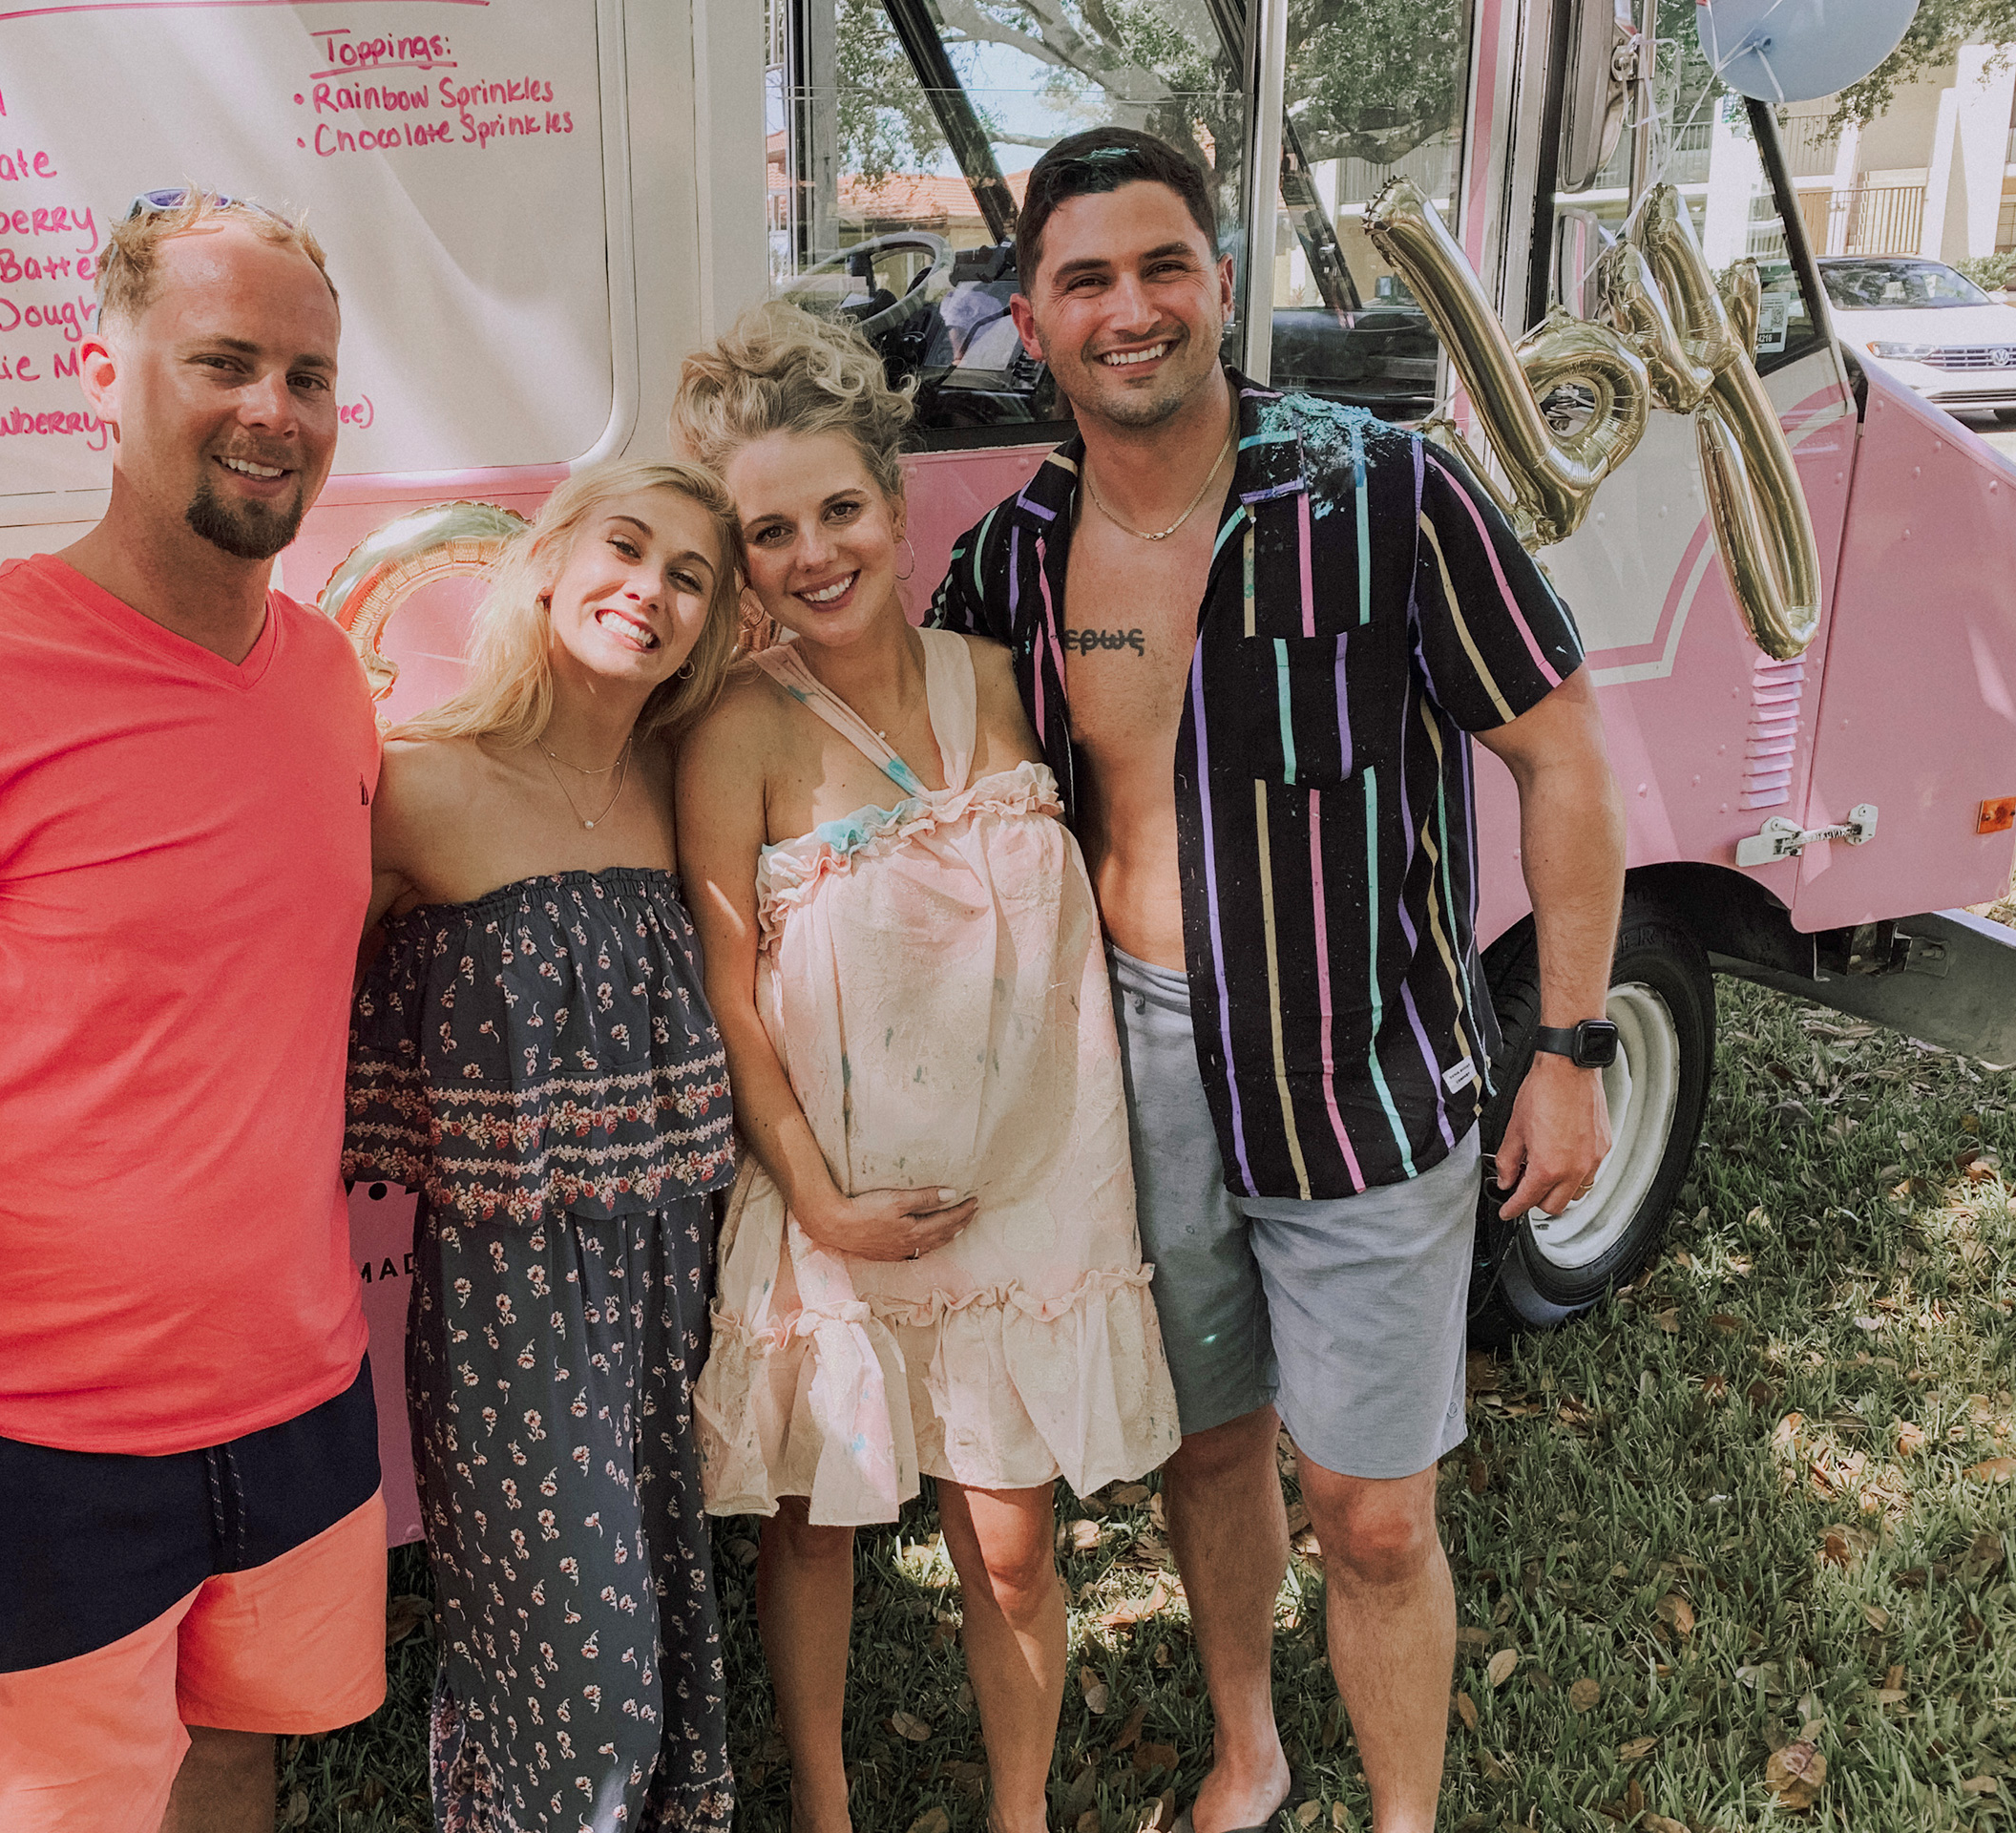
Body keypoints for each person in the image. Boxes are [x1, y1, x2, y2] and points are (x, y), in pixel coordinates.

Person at [930, 130, 1628, 1833]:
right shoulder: (1010, 562)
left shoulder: (1386, 492)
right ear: (1033, 318)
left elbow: (1562, 759)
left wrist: (1572, 1044)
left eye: (1163, 265)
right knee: (1209, 1444)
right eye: (1085, 279)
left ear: (1221, 282)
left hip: (1361, 1071)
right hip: (1132, 1083)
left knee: (1376, 1511)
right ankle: (1251, 1748)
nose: (1131, 308)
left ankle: (1406, 1817)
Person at [0, 188, 385, 1833]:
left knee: (238, 1763)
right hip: (28, 1439)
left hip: (297, 1389)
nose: (272, 412)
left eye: (305, 377)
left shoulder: (324, 682)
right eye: (221, 362)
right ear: (102, 377)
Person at [672, 303, 1182, 1833]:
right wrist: (817, 1205)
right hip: (837, 1190)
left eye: (838, 510)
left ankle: (1018, 1812)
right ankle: (826, 1809)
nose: (814, 553)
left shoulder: (997, 676)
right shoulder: (736, 733)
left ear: (896, 509)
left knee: (1013, 1541)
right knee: (816, 1525)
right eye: (771, 533)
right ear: (743, 561)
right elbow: (731, 997)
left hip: (1018, 1184)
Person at [345, 457, 746, 1833]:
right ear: (551, 561)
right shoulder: (417, 786)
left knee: (667, 1610)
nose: (652, 589)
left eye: (691, 575)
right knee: (582, 1670)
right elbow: (280, 1010)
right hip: (511, 1298)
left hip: (669, 1272)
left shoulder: (682, 781)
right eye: (626, 548)